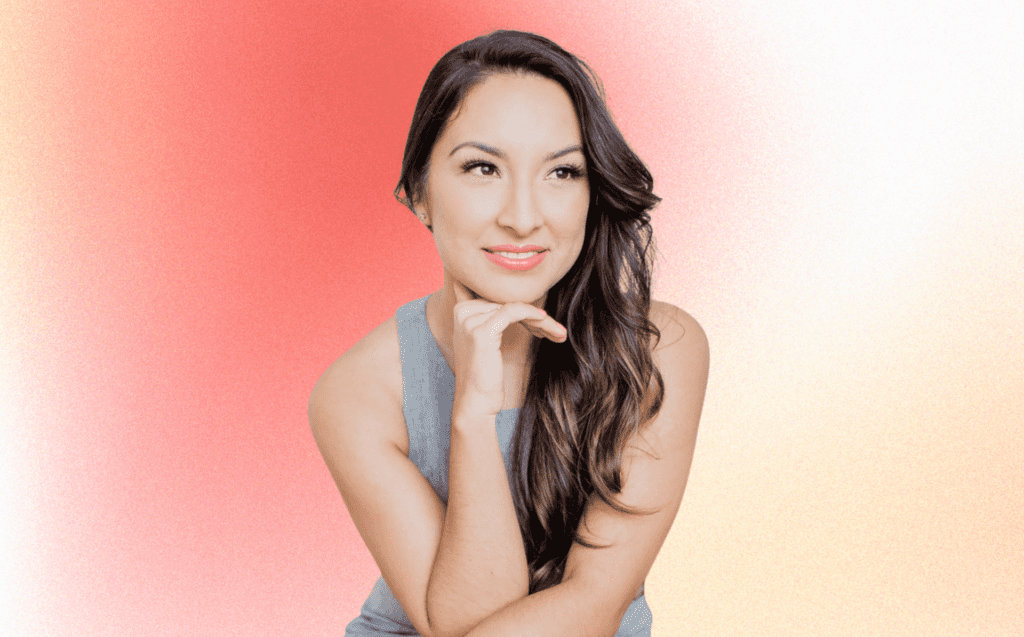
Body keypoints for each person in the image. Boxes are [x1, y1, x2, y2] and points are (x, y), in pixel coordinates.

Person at [309, 30, 709, 637]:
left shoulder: (655, 351)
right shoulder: (358, 392)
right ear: (419, 192)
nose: (523, 217)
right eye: (483, 168)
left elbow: (595, 602)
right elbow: (463, 619)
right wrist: (473, 410)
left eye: (563, 172)